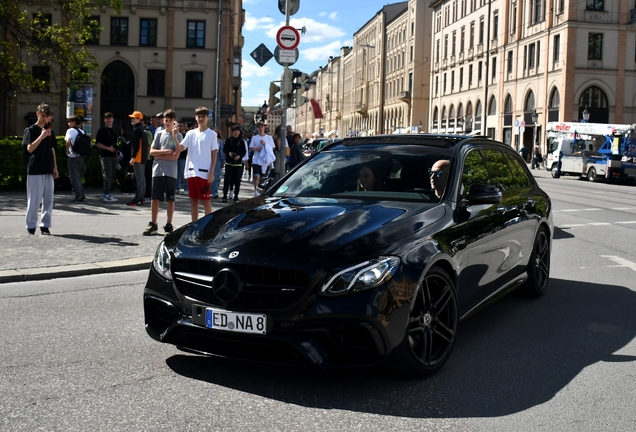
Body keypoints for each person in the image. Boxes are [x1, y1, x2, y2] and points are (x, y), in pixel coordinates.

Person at [175, 107, 218, 221]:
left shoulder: (212, 134)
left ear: (208, 117)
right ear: (195, 118)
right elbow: (180, 148)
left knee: (206, 200)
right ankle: (194, 225)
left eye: (203, 116)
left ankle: (207, 225)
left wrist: (212, 172)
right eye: (199, 116)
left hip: (205, 173)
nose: (201, 118)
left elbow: (214, 155)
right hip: (192, 171)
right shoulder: (190, 133)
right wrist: (175, 136)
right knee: (194, 201)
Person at [144, 109, 182, 235]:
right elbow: (152, 152)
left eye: (170, 120)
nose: (167, 122)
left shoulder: (178, 135)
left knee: (170, 199)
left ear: (173, 121)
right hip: (158, 171)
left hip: (170, 171)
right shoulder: (159, 134)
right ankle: (153, 223)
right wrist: (164, 152)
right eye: (165, 120)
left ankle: (169, 224)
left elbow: (176, 155)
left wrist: (160, 155)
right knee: (155, 198)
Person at [23, 103, 58, 235]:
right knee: (34, 198)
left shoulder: (51, 132)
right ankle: (31, 226)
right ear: (37, 114)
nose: (45, 119)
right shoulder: (31, 130)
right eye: (43, 116)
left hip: (47, 167)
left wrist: (55, 167)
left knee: (48, 198)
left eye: (47, 117)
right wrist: (41, 136)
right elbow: (30, 148)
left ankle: (45, 225)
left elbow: (52, 149)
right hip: (35, 167)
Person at [95, 112, 119, 202]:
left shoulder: (114, 130)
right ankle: (106, 194)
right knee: (107, 175)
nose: (109, 120)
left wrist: (116, 154)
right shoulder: (101, 130)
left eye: (110, 118)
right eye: (107, 118)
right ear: (104, 120)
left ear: (113, 119)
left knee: (112, 175)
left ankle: (108, 193)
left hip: (114, 156)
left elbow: (115, 144)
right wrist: (108, 148)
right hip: (105, 156)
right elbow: (97, 143)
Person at [127, 110, 149, 206]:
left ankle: (138, 198)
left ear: (138, 119)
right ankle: (142, 197)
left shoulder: (137, 130)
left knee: (139, 178)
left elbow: (135, 145)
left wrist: (133, 157)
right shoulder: (143, 129)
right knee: (142, 177)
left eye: (133, 118)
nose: (132, 119)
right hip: (143, 156)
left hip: (138, 157)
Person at [249, 122, 276, 196]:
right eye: (259, 127)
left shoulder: (269, 138)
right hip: (256, 160)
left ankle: (261, 190)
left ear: (264, 128)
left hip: (265, 161)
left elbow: (273, 147)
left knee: (263, 178)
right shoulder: (254, 138)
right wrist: (256, 148)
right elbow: (251, 148)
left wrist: (265, 145)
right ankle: (256, 190)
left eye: (262, 127)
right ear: (257, 128)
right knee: (256, 176)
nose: (260, 128)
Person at [64, 115, 87, 203]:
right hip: (81, 156)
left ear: (74, 122)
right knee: (79, 176)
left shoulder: (70, 131)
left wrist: (67, 151)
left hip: (73, 156)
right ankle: (81, 193)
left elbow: (68, 141)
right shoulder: (82, 131)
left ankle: (79, 196)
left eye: (70, 121)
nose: (68, 123)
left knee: (74, 176)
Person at [222, 125, 247, 203]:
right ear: (232, 131)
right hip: (229, 163)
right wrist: (229, 153)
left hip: (238, 164)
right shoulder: (229, 140)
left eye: (237, 131)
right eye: (234, 131)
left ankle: (236, 196)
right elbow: (224, 149)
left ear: (239, 132)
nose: (236, 132)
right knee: (227, 179)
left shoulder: (241, 141)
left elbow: (244, 151)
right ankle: (225, 195)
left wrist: (239, 156)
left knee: (237, 180)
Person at [211, 127, 225, 199]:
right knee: (209, 175)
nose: (214, 133)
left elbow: (222, 152)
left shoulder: (220, 141)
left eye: (216, 131)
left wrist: (223, 161)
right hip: (209, 158)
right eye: (213, 131)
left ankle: (215, 192)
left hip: (218, 158)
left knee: (216, 175)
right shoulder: (208, 140)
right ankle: (210, 191)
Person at [176, 120, 188, 194]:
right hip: (176, 156)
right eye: (178, 125)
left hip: (184, 157)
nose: (179, 127)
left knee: (183, 173)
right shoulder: (176, 135)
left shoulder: (186, 135)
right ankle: (177, 188)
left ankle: (186, 189)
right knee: (176, 173)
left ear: (184, 126)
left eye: (181, 125)